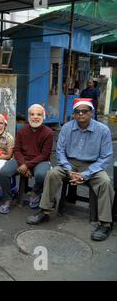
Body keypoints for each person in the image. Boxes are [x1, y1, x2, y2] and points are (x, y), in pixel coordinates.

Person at [27, 98, 115, 242]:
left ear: (91, 113)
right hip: (69, 163)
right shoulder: (67, 128)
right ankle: (44, 210)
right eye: (77, 111)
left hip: (93, 165)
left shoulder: (103, 130)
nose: (81, 114)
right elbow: (60, 152)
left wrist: (85, 174)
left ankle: (105, 223)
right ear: (73, 114)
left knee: (105, 182)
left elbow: (106, 157)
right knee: (53, 173)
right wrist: (68, 169)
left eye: (84, 111)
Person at [0, 105, 53, 214]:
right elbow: (17, 150)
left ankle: (36, 192)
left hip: (41, 161)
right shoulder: (22, 130)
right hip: (22, 160)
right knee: (3, 172)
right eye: (32, 114)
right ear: (28, 116)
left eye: (39, 114)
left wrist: (27, 165)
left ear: (43, 116)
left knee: (42, 175)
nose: (35, 117)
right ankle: (7, 199)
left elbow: (45, 154)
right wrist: (23, 163)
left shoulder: (48, 132)